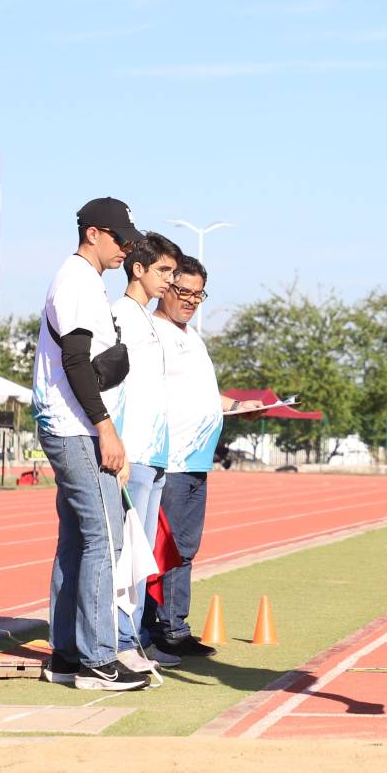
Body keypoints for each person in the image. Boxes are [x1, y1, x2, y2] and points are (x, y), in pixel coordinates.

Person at [33, 197, 151, 693]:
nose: (127, 248)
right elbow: (78, 364)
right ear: (94, 234)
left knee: (78, 542)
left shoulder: (82, 282)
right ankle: (98, 662)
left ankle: (66, 655)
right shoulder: (78, 280)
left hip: (68, 422)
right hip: (76, 427)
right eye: (120, 238)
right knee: (104, 538)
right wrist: (105, 427)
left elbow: (84, 362)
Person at [145, 255, 261, 655]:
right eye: (184, 292)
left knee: (186, 547)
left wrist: (239, 406)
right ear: (167, 288)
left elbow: (204, 395)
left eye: (200, 294)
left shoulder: (193, 337)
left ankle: (175, 625)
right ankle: (158, 630)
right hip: (169, 459)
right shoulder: (151, 332)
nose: (192, 301)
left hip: (196, 460)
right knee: (166, 546)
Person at [111, 231, 181, 675]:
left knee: (143, 556)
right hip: (132, 453)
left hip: (157, 455)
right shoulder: (118, 315)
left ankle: (134, 637)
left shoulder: (149, 322)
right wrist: (117, 447)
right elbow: (112, 390)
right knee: (125, 554)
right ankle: (119, 640)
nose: (169, 282)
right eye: (164, 271)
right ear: (138, 269)